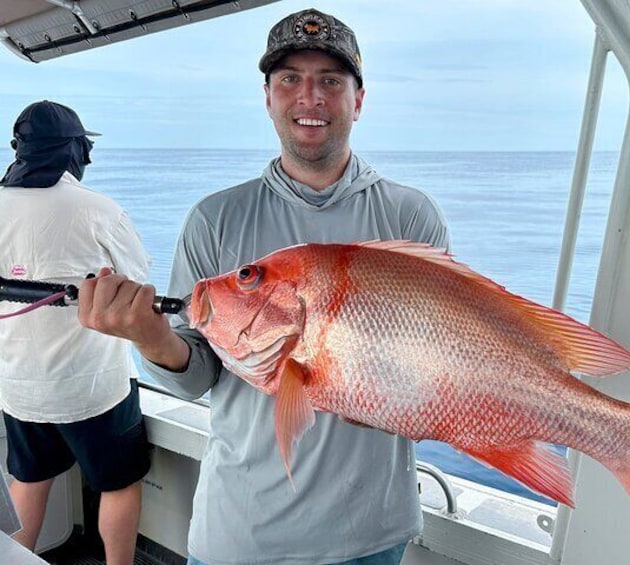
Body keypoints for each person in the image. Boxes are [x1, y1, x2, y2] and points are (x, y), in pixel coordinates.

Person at [78, 8, 450, 565]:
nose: (310, 97)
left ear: (359, 99)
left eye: (330, 80)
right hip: (243, 533)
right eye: (290, 80)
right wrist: (151, 339)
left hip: (373, 532)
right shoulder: (215, 219)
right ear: (268, 96)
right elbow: (195, 378)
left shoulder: (411, 216)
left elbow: (438, 356)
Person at [0, 100, 151, 564]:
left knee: (29, 479)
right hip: (94, 389)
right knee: (118, 483)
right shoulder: (98, 210)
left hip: (18, 388)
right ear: (75, 150)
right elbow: (141, 283)